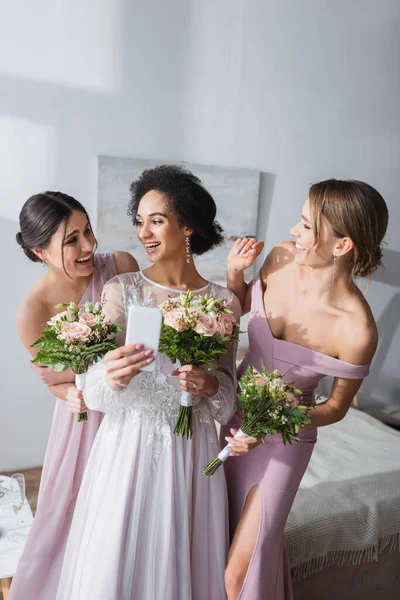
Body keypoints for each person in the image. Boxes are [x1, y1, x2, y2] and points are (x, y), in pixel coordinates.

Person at [56, 165, 241, 600]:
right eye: (139, 221)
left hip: (192, 449)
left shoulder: (223, 302)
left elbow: (229, 396)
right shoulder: (122, 291)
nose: (143, 232)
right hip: (128, 446)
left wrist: (208, 384)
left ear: (188, 225)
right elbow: (95, 389)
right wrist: (112, 376)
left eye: (156, 220)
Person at [221, 179, 389, 600]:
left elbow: (335, 408)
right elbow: (242, 309)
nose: (294, 232)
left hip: (282, 443)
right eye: (299, 222)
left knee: (237, 576)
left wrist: (271, 422)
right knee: (209, 539)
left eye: (307, 226)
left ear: (342, 245)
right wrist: (234, 275)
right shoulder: (279, 258)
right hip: (225, 417)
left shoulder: (357, 327)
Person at [9, 191, 139, 600]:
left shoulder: (121, 267)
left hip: (134, 411)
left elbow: (147, 341)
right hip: (83, 422)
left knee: (128, 512)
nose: (88, 247)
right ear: (39, 251)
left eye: (88, 231)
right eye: (71, 240)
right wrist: (70, 394)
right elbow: (54, 380)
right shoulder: (33, 309)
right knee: (72, 514)